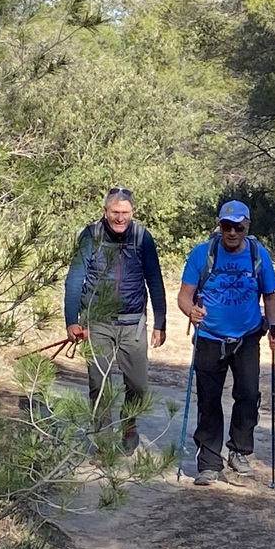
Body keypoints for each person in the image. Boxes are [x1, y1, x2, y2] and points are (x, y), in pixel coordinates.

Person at [176, 200, 275, 485]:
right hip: (209, 337)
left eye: (238, 227)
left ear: (247, 227)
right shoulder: (202, 254)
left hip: (247, 336)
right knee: (209, 400)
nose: (232, 232)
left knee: (247, 394)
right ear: (219, 226)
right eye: (226, 226)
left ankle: (238, 450)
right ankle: (209, 463)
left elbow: (270, 296)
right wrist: (191, 311)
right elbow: (184, 295)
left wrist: (274, 328)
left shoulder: (259, 254)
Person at [64, 186, 167, 453]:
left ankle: (129, 424)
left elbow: (154, 280)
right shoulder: (90, 236)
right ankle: (102, 443)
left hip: (133, 323)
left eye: (126, 213)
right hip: (96, 321)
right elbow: (75, 278)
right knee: (98, 385)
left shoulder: (143, 237)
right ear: (105, 211)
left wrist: (160, 322)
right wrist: (71, 320)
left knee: (137, 384)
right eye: (115, 212)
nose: (120, 218)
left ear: (132, 212)